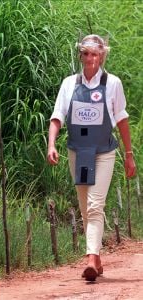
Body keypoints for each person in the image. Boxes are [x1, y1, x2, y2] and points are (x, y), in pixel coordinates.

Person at [47, 34, 136, 281]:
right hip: (78, 152)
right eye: (85, 53)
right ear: (80, 55)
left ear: (102, 56)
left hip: (104, 152)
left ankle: (89, 258)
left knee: (96, 205)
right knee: (86, 207)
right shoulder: (69, 84)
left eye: (94, 54)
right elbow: (57, 116)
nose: (90, 59)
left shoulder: (113, 84)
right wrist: (51, 144)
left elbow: (122, 120)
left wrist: (129, 155)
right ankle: (96, 257)